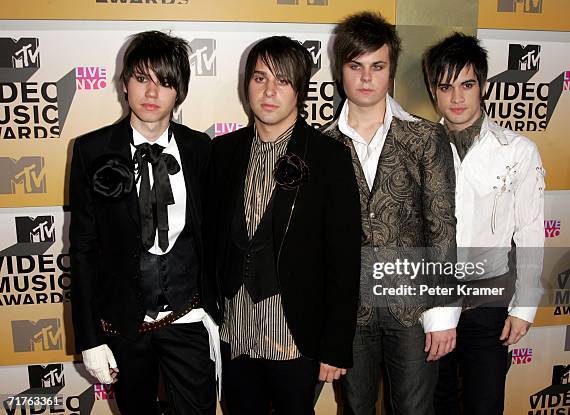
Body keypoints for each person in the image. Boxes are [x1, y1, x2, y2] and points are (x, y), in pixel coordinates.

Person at [69, 30, 221, 415]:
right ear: (124, 85)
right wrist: (88, 339)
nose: (152, 93)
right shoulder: (91, 150)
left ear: (180, 91)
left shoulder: (201, 148)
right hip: (124, 324)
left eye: (165, 82)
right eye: (142, 79)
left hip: (187, 317)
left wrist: (216, 311)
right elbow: (83, 249)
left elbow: (213, 234)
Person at [211, 36, 361, 415]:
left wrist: (336, 345)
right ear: (246, 85)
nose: (270, 91)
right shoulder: (223, 152)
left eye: (283, 80)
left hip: (295, 336)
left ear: (301, 90)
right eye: (260, 78)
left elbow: (344, 259)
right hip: (236, 331)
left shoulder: (330, 158)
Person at [323, 12, 458, 415]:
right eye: (356, 66)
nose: (366, 78)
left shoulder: (425, 135)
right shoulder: (322, 143)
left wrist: (442, 312)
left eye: (377, 67)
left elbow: (441, 223)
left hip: (413, 307)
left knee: (415, 410)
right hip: (350, 310)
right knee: (357, 408)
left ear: (391, 71)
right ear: (341, 71)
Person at [422, 32, 545, 415]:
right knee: (433, 403)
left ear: (484, 87)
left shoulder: (518, 151)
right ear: (433, 90)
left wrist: (524, 307)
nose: (457, 98)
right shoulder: (419, 147)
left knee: (484, 404)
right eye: (446, 87)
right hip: (430, 300)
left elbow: (530, 232)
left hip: (490, 304)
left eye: (467, 85)